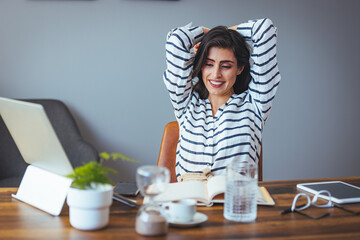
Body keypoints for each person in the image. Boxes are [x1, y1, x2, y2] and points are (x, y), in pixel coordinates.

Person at [163, 18, 280, 180]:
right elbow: (176, 40)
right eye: (209, 64)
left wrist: (227, 33)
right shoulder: (186, 104)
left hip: (235, 202)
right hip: (189, 202)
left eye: (226, 66)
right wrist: (211, 35)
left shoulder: (255, 105)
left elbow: (264, 30)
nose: (216, 74)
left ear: (239, 68)